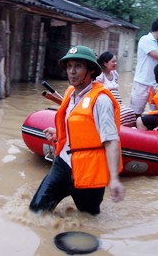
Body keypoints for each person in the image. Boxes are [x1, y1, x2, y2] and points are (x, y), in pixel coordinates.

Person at [29, 45, 125, 215]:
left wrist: (114, 180)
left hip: (88, 171)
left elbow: (111, 141)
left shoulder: (101, 100)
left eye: (78, 66)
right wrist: (59, 133)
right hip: (63, 164)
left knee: (89, 220)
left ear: (91, 71)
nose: (72, 71)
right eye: (69, 66)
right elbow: (79, 127)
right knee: (36, 211)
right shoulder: (70, 93)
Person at [129, 18, 158, 117]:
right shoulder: (145, 39)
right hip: (142, 82)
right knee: (136, 111)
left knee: (157, 111)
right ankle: (133, 130)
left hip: (156, 84)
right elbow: (157, 56)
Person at [96, 51, 137, 127]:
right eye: (113, 61)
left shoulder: (115, 73)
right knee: (124, 114)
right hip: (109, 105)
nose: (115, 63)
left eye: (116, 61)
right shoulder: (100, 77)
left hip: (119, 103)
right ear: (105, 63)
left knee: (131, 112)